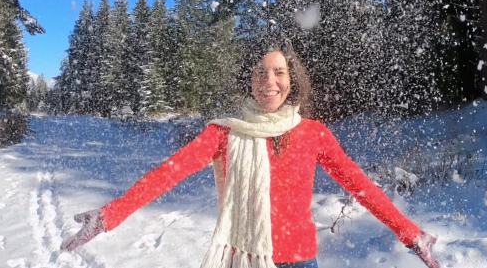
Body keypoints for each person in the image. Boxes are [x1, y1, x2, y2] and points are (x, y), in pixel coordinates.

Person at [61, 40, 441, 268]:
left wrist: (410, 234)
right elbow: (167, 174)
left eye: (278, 72)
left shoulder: (313, 134)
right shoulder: (223, 133)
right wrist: (110, 215)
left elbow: (360, 186)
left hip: (300, 261)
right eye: (260, 72)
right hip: (243, 259)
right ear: (250, 79)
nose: (269, 81)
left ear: (292, 80)